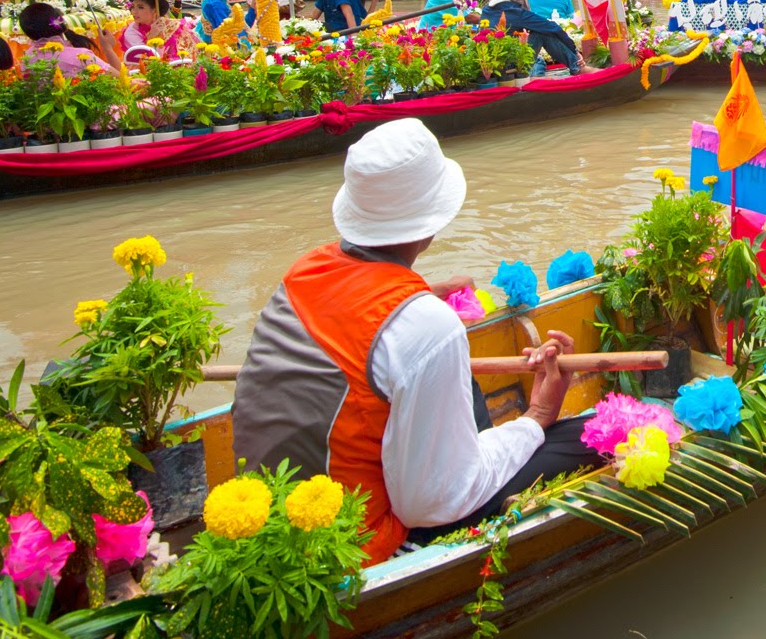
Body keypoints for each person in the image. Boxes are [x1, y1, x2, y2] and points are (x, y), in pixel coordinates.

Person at [232, 119, 601, 564]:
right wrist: (536, 417)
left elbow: (362, 322)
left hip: (267, 511)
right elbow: (432, 503)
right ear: (432, 222)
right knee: (593, 435)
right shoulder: (424, 325)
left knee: (460, 384)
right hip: (359, 545)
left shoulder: (304, 270)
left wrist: (421, 298)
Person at [486, 0, 583, 75]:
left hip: (492, 62)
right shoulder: (519, 14)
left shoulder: (487, 10)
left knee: (539, 61)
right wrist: (574, 50)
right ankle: (577, 66)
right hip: (508, 63)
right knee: (542, 34)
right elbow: (553, 28)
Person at [19, 1, 111, 75]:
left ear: (27, 34)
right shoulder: (80, 56)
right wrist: (108, 48)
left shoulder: (26, 60)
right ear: (60, 22)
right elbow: (121, 80)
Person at [121, 0, 193, 60]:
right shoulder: (131, 32)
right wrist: (152, 37)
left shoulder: (169, 25)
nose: (134, 12)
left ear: (154, 10)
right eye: (133, 7)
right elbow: (146, 60)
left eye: (140, 7)